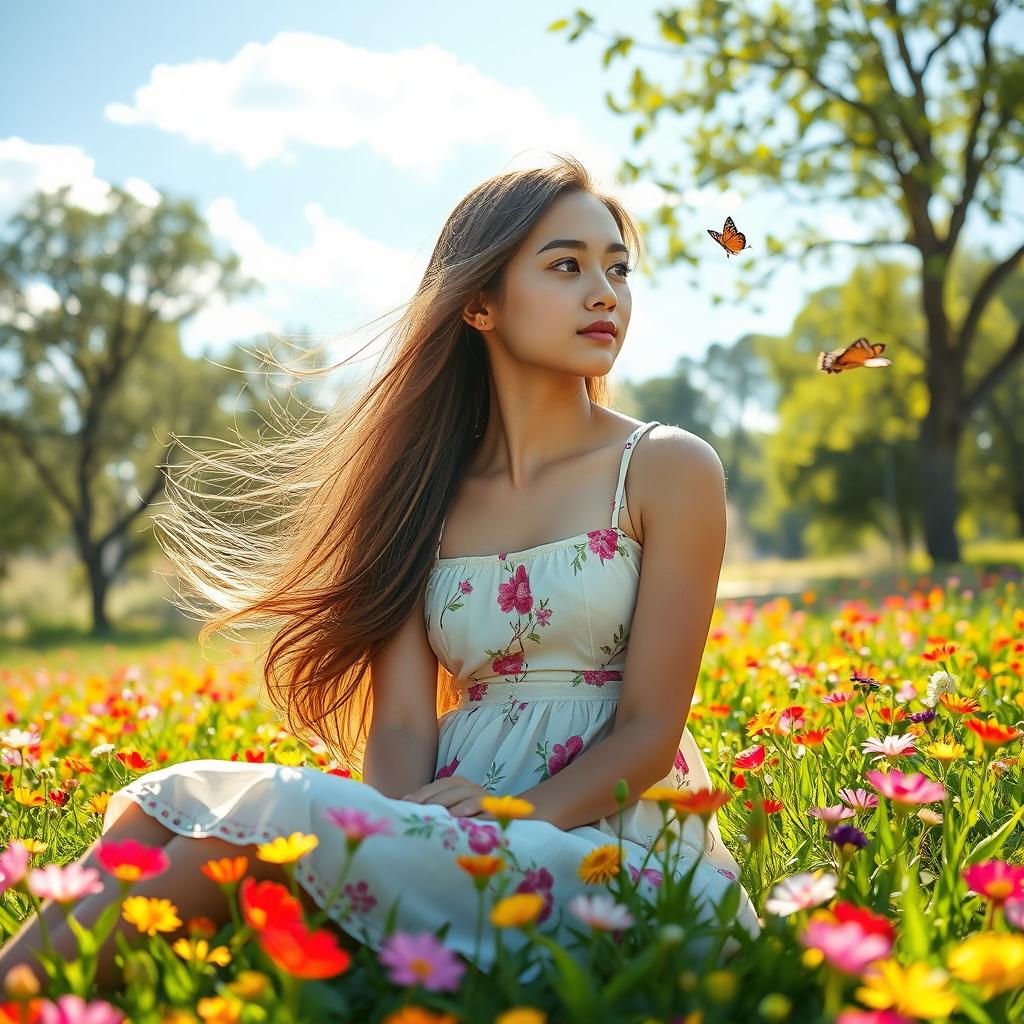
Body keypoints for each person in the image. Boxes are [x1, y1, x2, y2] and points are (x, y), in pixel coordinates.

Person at [0, 154, 760, 991]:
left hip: (611, 850)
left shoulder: (665, 466)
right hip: (453, 830)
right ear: (478, 302)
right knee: (162, 801)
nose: (605, 292)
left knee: (245, 827)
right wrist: (401, 825)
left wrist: (511, 821)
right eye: (566, 265)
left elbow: (651, 733)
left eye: (617, 268)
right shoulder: (423, 496)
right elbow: (401, 729)